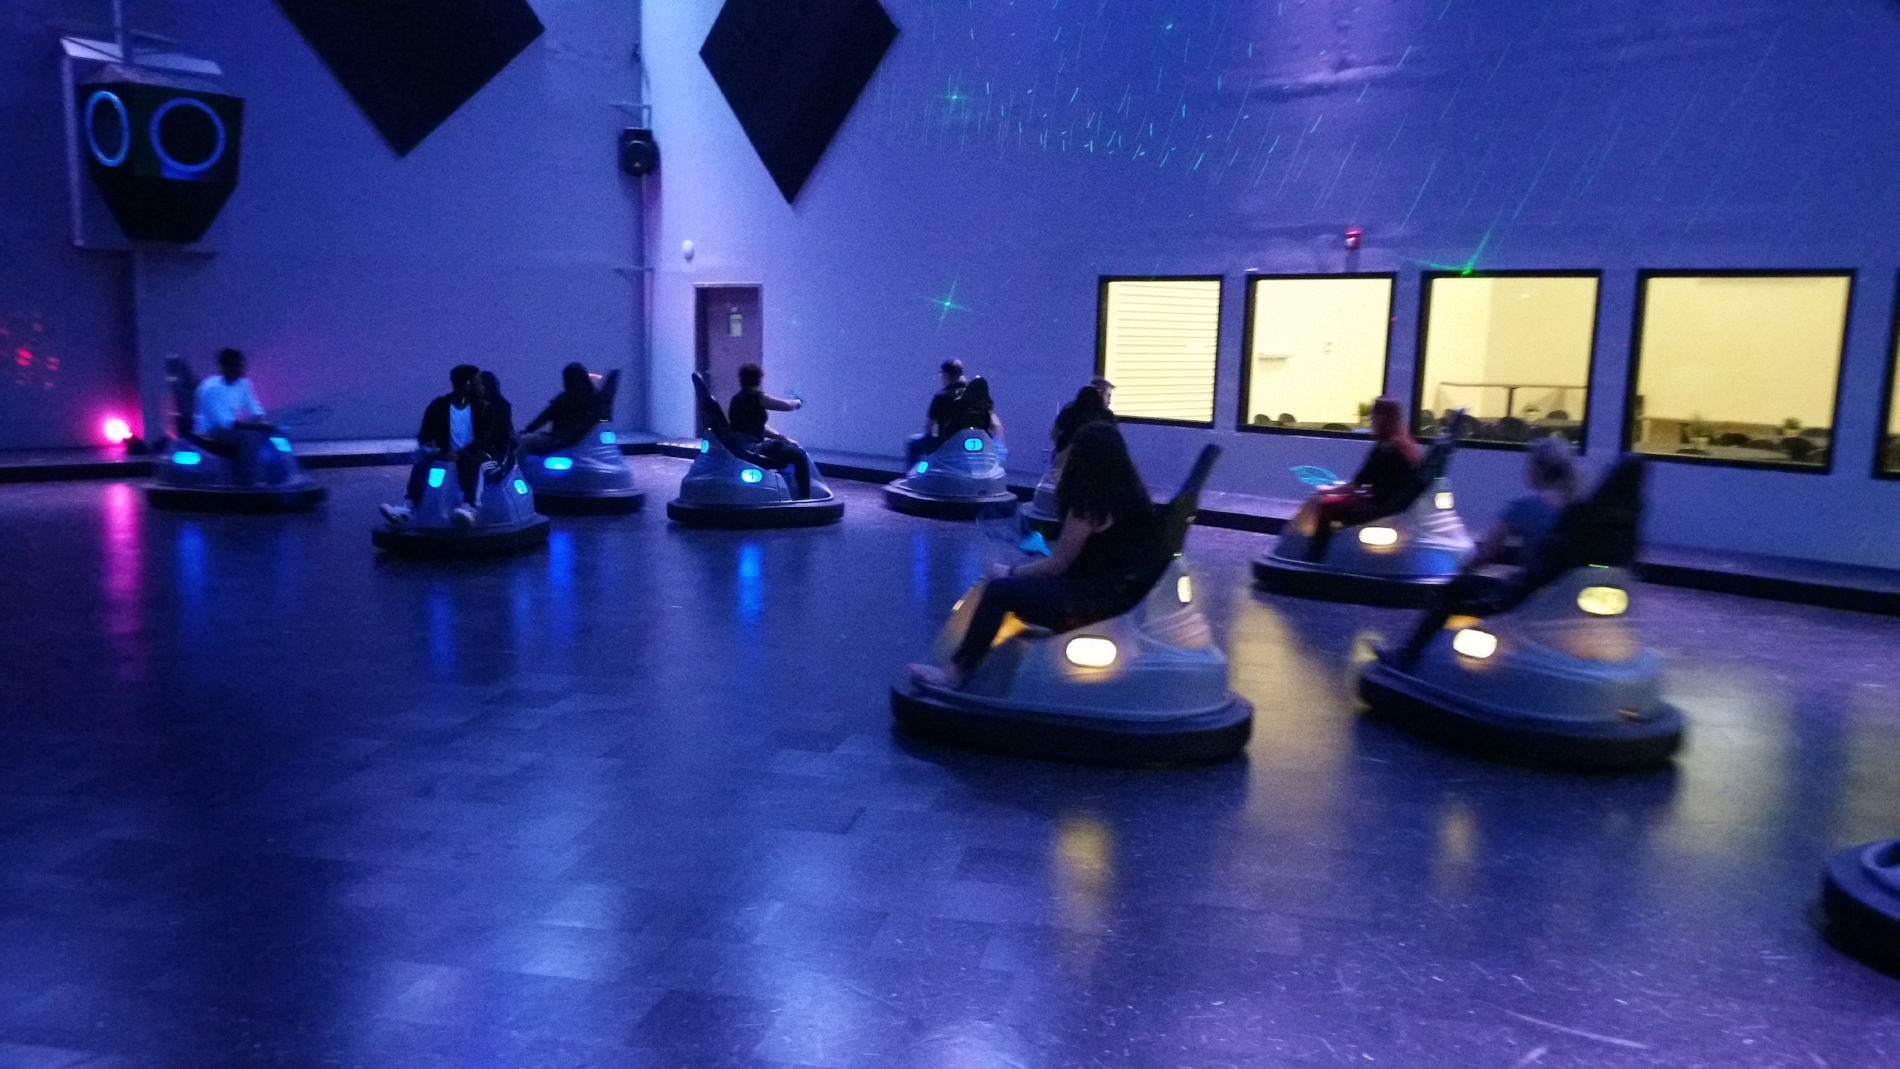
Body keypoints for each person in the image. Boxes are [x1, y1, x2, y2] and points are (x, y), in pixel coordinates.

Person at [908, 422, 1157, 690]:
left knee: (998, 591)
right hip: (1117, 593)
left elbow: (1058, 566)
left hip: (1087, 596)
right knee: (1021, 576)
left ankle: (955, 673)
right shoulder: (1133, 499)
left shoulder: (1090, 503)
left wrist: (1009, 571)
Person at [1388, 437, 1582, 670]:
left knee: (1453, 590)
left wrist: (1465, 568)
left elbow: (1486, 554)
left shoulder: (1525, 508)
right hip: (1561, 596)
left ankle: (1407, 656)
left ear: (1539, 469)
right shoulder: (1578, 508)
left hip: (1522, 597)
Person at [1299, 396, 1422, 562]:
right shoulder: (1405, 444)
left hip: (1380, 505)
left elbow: (1357, 484)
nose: (1371, 419)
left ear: (1382, 418)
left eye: (1374, 415)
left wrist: (1327, 490)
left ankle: (1314, 557)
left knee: (1327, 506)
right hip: (1391, 502)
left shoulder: (1385, 448)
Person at [381, 364, 494, 527]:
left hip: (475, 454)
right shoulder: (438, 406)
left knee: (474, 463)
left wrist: (461, 454)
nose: (482, 387)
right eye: (479, 383)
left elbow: (484, 439)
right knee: (421, 464)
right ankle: (408, 508)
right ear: (467, 385)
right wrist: (431, 447)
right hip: (446, 454)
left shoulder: (484, 409)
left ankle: (469, 508)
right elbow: (425, 435)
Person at [728, 362, 814, 499]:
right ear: (758, 379)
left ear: (741, 379)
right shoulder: (755, 397)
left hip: (743, 446)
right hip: (752, 447)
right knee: (799, 455)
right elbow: (784, 405)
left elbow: (758, 426)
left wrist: (783, 438)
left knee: (785, 447)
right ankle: (805, 499)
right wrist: (798, 402)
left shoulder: (737, 399)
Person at [192, 348, 271, 485]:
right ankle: (250, 482)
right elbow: (224, 423)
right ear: (223, 367)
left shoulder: (244, 384)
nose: (238, 370)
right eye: (233, 366)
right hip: (209, 430)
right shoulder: (211, 388)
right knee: (249, 437)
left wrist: (263, 422)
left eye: (240, 366)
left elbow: (254, 409)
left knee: (269, 433)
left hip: (229, 427)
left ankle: (270, 475)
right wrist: (258, 426)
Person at [521, 362, 603, 455]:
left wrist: (528, 430)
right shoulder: (594, 398)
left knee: (522, 442)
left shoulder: (568, 398)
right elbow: (545, 416)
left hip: (562, 440)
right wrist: (529, 429)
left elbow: (545, 416)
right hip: (569, 441)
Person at [905, 359, 970, 465]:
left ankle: (913, 474)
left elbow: (929, 426)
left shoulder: (942, 396)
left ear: (946, 375)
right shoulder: (974, 394)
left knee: (911, 442)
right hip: (967, 442)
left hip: (945, 443)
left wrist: (931, 440)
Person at [1051, 381, 1116, 457]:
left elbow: (1054, 434)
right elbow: (1114, 441)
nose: (1109, 401)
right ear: (1099, 393)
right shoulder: (1107, 416)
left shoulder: (1069, 411)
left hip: (1068, 459)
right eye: (1108, 396)